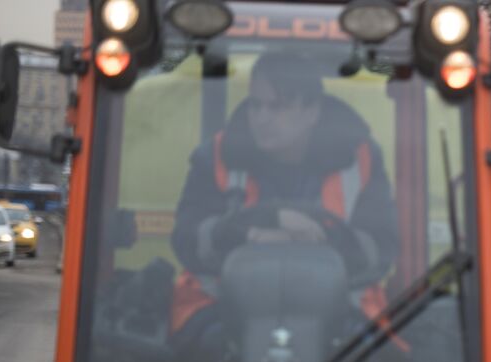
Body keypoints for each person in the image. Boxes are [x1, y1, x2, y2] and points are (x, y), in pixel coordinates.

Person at [170, 51, 399, 339]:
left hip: (338, 313)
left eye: (277, 107)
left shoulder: (360, 158)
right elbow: (186, 239)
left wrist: (319, 241)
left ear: (312, 111)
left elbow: (382, 248)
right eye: (256, 105)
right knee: (198, 352)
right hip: (223, 311)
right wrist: (252, 235)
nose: (261, 119)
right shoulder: (215, 155)